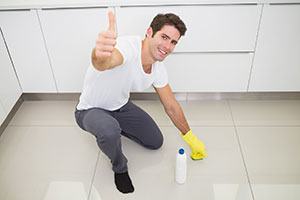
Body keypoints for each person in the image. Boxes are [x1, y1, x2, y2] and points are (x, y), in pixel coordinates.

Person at [75, 11, 207, 194]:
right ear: (149, 32)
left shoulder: (158, 69)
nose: (167, 46)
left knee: (155, 141)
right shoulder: (127, 47)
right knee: (108, 130)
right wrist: (100, 56)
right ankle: (119, 166)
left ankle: (113, 128)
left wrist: (190, 138)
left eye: (173, 42)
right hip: (90, 110)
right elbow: (107, 61)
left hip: (120, 107)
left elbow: (171, 106)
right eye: (164, 37)